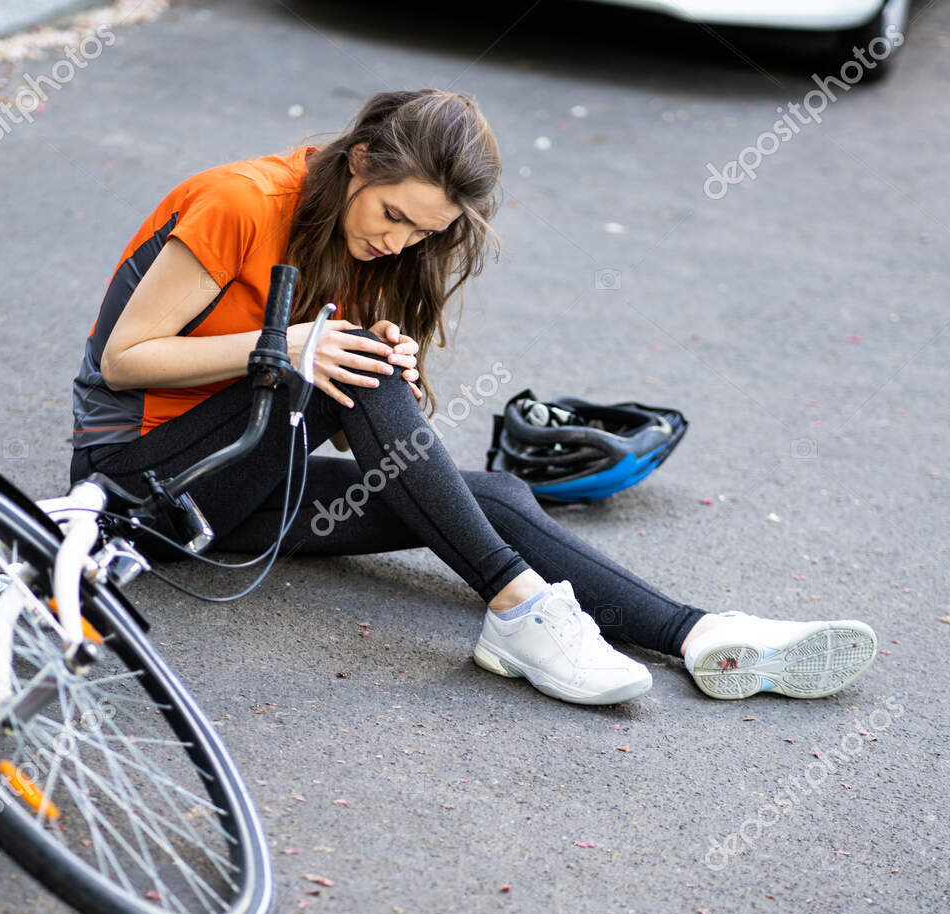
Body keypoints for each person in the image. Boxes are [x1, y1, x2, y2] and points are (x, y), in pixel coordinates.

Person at [67, 89, 876, 705]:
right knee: (345, 368)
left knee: (495, 493)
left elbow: (343, 425)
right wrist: (296, 349)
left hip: (241, 493)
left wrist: (385, 365)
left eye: (422, 233)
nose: (398, 242)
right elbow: (124, 358)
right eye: (393, 215)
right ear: (357, 160)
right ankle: (520, 609)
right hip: (138, 488)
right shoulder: (241, 201)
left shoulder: (364, 242)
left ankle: (699, 633)